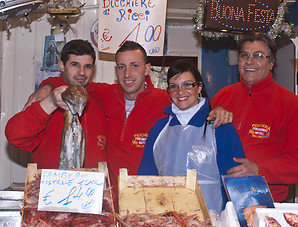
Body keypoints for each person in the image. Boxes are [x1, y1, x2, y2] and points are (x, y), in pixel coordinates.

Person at [23, 41, 233, 208]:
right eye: (122, 67)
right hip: (104, 202)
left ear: (147, 68)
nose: (128, 74)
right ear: (116, 70)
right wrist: (47, 86)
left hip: (148, 202)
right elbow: (73, 80)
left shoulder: (165, 98)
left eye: (135, 66)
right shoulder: (103, 94)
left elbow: (190, 100)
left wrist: (218, 108)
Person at [138, 60, 245, 213]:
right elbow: (145, 181)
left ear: (199, 87)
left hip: (212, 224)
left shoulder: (219, 126)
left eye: (187, 84)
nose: (180, 92)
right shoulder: (158, 129)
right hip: (167, 225)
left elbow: (236, 183)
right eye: (174, 86)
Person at [210, 32, 298, 202]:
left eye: (258, 56)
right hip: (219, 198)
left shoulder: (291, 104)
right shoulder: (221, 97)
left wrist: (258, 169)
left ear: (271, 63)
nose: (249, 61)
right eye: (244, 55)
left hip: (264, 201)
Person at [5, 39, 107, 169]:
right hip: (53, 187)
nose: (82, 72)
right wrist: (51, 102)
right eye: (75, 65)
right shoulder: (47, 100)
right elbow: (15, 137)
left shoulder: (100, 99)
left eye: (87, 66)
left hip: (92, 188)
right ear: (62, 65)